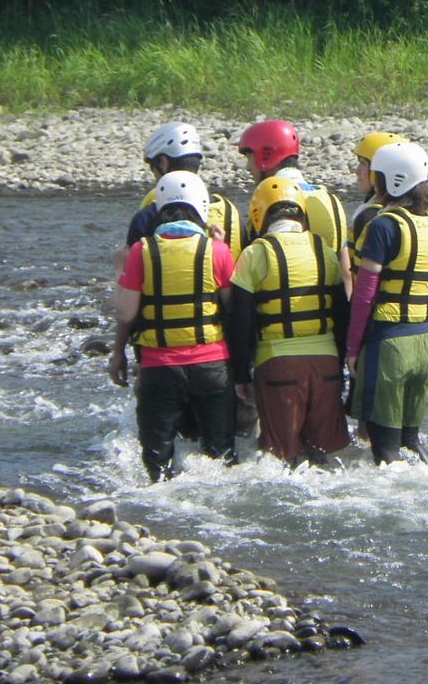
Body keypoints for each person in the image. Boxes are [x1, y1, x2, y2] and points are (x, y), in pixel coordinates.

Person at [110, 170, 241, 481]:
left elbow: (126, 313)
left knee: (156, 463)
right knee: (221, 457)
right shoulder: (217, 250)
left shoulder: (141, 251)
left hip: (159, 368)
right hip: (212, 367)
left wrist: (117, 353)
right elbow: (232, 308)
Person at [227, 177, 350, 464]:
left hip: (278, 365)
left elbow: (241, 320)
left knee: (282, 458)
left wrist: (242, 374)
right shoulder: (324, 251)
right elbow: (342, 314)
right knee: (324, 456)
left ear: (260, 213)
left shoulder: (255, 253)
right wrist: (341, 364)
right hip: (327, 365)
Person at [346, 141, 428, 464]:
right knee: (410, 441)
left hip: (389, 346)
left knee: (385, 450)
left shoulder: (383, 226)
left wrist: (352, 348)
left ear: (392, 179)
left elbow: (364, 295)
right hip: (424, 343)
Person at [119, 121, 246, 270]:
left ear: (163, 162)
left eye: (153, 167)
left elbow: (130, 277)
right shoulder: (231, 213)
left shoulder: (147, 215)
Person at [239, 119, 348, 253]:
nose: (248, 167)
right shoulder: (330, 200)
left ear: (266, 156)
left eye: (249, 158)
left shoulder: (268, 202)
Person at [345, 131, 407, 294]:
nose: (357, 171)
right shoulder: (418, 213)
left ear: (379, 169)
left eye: (363, 163)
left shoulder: (369, 218)